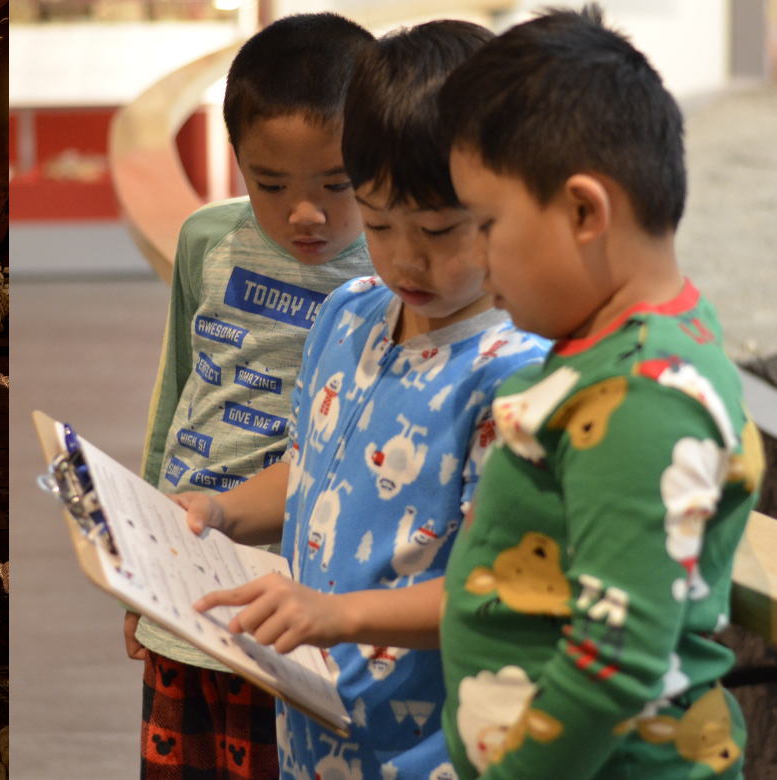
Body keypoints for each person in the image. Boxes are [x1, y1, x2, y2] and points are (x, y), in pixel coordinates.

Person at [176, 21, 550, 780]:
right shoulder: (347, 313)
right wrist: (217, 512)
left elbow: (503, 591)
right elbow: (315, 470)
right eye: (379, 222)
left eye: (440, 230)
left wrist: (338, 616)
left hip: (432, 749)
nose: (406, 257)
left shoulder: (516, 375)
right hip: (314, 732)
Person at [430, 8, 759, 780]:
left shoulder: (644, 397)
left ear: (584, 211)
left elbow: (615, 661)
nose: (479, 260)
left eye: (486, 225)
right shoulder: (625, 347)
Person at [132, 13, 376, 779]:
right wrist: (138, 559)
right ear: (236, 159)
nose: (307, 213)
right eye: (272, 185)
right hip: (188, 570)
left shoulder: (396, 270)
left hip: (306, 599)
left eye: (338, 184)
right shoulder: (207, 242)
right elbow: (177, 391)